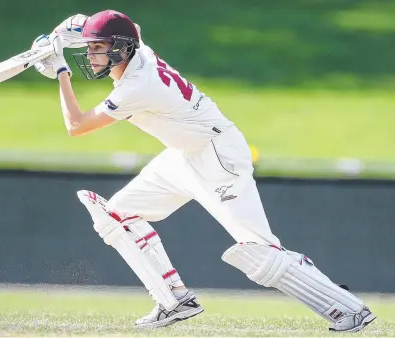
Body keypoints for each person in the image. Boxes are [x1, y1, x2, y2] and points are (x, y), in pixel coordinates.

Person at [31, 10, 376, 331]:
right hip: (184, 154)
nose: (91, 56)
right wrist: (63, 32)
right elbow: (122, 26)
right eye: (90, 47)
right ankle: (174, 301)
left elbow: (76, 125)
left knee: (257, 250)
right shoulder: (138, 46)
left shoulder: (138, 87)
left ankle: (347, 308)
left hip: (217, 156)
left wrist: (61, 71)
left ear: (122, 49)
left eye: (99, 48)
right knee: (117, 216)